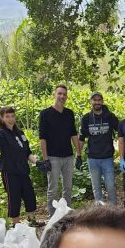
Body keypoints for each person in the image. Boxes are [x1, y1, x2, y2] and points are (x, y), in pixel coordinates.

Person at [0, 106, 47, 227]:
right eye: (7, 116)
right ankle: (16, 225)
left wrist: (37, 162)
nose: (10, 119)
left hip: (23, 171)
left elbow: (27, 153)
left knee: (29, 195)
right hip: (10, 172)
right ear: (2, 118)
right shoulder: (2, 134)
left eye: (12, 116)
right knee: (14, 198)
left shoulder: (20, 134)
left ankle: (32, 220)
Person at [39, 84, 81, 216]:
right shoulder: (45, 114)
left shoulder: (69, 113)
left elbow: (73, 134)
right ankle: (53, 217)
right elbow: (42, 138)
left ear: (66, 97)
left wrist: (79, 154)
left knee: (67, 188)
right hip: (53, 157)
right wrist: (45, 159)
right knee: (53, 189)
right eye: (59, 93)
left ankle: (66, 215)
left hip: (68, 157)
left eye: (64, 94)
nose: (62, 96)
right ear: (54, 95)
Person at [79, 91, 118, 204]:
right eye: (94, 100)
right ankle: (99, 213)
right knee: (96, 188)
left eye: (99, 100)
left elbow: (121, 130)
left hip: (107, 158)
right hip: (93, 158)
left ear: (102, 102)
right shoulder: (86, 118)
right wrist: (78, 155)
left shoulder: (109, 116)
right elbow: (82, 137)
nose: (97, 102)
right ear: (91, 102)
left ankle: (113, 212)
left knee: (110, 186)